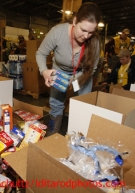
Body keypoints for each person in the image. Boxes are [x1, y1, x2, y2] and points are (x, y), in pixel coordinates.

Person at [36, 2, 101, 135]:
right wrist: (44, 71)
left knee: (83, 107)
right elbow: (41, 53)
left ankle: (77, 138)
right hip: (59, 72)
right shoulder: (58, 33)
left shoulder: (94, 42)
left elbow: (92, 69)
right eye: (83, 30)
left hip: (82, 75)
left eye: (91, 32)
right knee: (56, 105)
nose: (86, 36)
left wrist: (75, 80)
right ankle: (52, 135)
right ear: (75, 21)